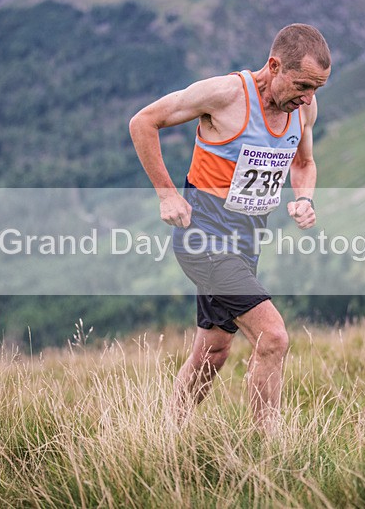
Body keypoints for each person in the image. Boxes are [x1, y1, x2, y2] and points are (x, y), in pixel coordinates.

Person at [129, 23, 331, 432]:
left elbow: (303, 162)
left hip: (245, 243)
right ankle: (268, 452)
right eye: (303, 84)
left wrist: (304, 198)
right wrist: (167, 194)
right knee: (272, 337)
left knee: (214, 351)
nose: (309, 97)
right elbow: (143, 122)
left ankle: (167, 431)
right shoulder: (224, 95)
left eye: (317, 89)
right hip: (202, 237)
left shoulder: (304, 109)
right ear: (274, 65)